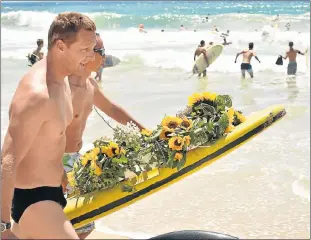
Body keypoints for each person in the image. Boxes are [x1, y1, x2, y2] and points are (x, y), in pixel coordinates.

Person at [1, 12, 97, 239]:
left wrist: (60, 173)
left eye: (92, 49)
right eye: (84, 49)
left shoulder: (61, 80)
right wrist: (3, 229)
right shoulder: (37, 95)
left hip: (51, 192)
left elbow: (48, 139)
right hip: (34, 199)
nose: (91, 57)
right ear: (61, 46)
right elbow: (7, 161)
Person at [61, 33, 145, 239]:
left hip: (74, 159)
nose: (105, 57)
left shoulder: (89, 84)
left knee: (83, 224)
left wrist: (146, 133)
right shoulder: (63, 88)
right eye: (102, 52)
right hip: (55, 161)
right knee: (67, 223)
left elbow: (112, 109)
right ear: (87, 54)